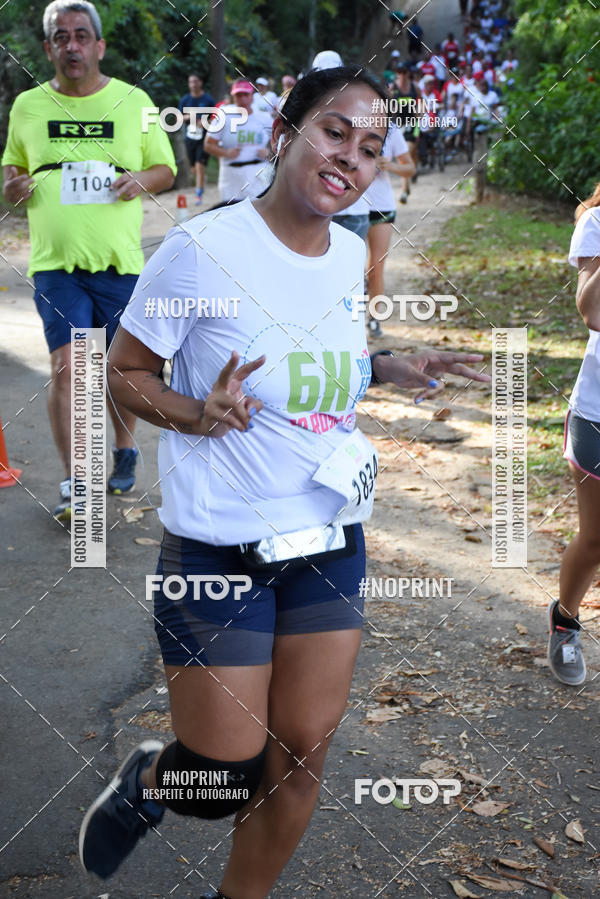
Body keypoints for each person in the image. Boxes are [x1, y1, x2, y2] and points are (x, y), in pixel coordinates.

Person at [79, 64, 490, 896]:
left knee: (301, 756)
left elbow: (324, 364)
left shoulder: (347, 256)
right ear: (284, 134)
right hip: (218, 551)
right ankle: (152, 783)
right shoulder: (202, 250)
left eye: (371, 147)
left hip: (329, 535)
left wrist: (394, 365)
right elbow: (121, 372)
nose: (351, 158)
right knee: (226, 773)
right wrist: (196, 412)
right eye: (335, 132)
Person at [1, 0, 176, 519]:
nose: (71, 45)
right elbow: (11, 175)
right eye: (61, 37)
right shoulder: (29, 106)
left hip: (119, 264)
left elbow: (165, 169)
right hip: (56, 266)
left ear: (99, 46)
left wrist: (139, 181)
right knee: (70, 367)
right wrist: (13, 187)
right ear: (50, 47)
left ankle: (124, 449)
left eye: (81, 36)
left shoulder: (132, 100)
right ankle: (77, 484)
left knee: (121, 372)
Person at [548, 186, 600, 686]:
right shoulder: (595, 222)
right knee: (596, 538)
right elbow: (593, 312)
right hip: (598, 412)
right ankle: (565, 620)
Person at [364, 123, 415, 337]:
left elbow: (410, 168)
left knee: (376, 267)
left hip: (381, 207)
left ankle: (374, 318)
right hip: (346, 205)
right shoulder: (350, 120)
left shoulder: (392, 132)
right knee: (349, 266)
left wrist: (389, 165)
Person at [204, 80, 272, 203]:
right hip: (231, 174)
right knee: (230, 212)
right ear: (233, 97)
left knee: (258, 212)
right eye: (239, 95)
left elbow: (279, 144)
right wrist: (226, 153)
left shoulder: (264, 118)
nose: (243, 99)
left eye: (246, 95)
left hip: (258, 172)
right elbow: (208, 144)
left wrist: (269, 152)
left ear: (252, 96)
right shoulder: (224, 115)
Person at [178, 73, 216, 205]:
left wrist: (204, 122)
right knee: (193, 167)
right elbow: (179, 118)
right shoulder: (185, 100)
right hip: (190, 137)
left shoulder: (208, 100)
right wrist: (190, 117)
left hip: (204, 138)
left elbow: (214, 119)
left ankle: (198, 194)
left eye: (195, 81)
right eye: (190, 82)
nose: (193, 84)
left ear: (200, 83)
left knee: (200, 166)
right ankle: (201, 180)